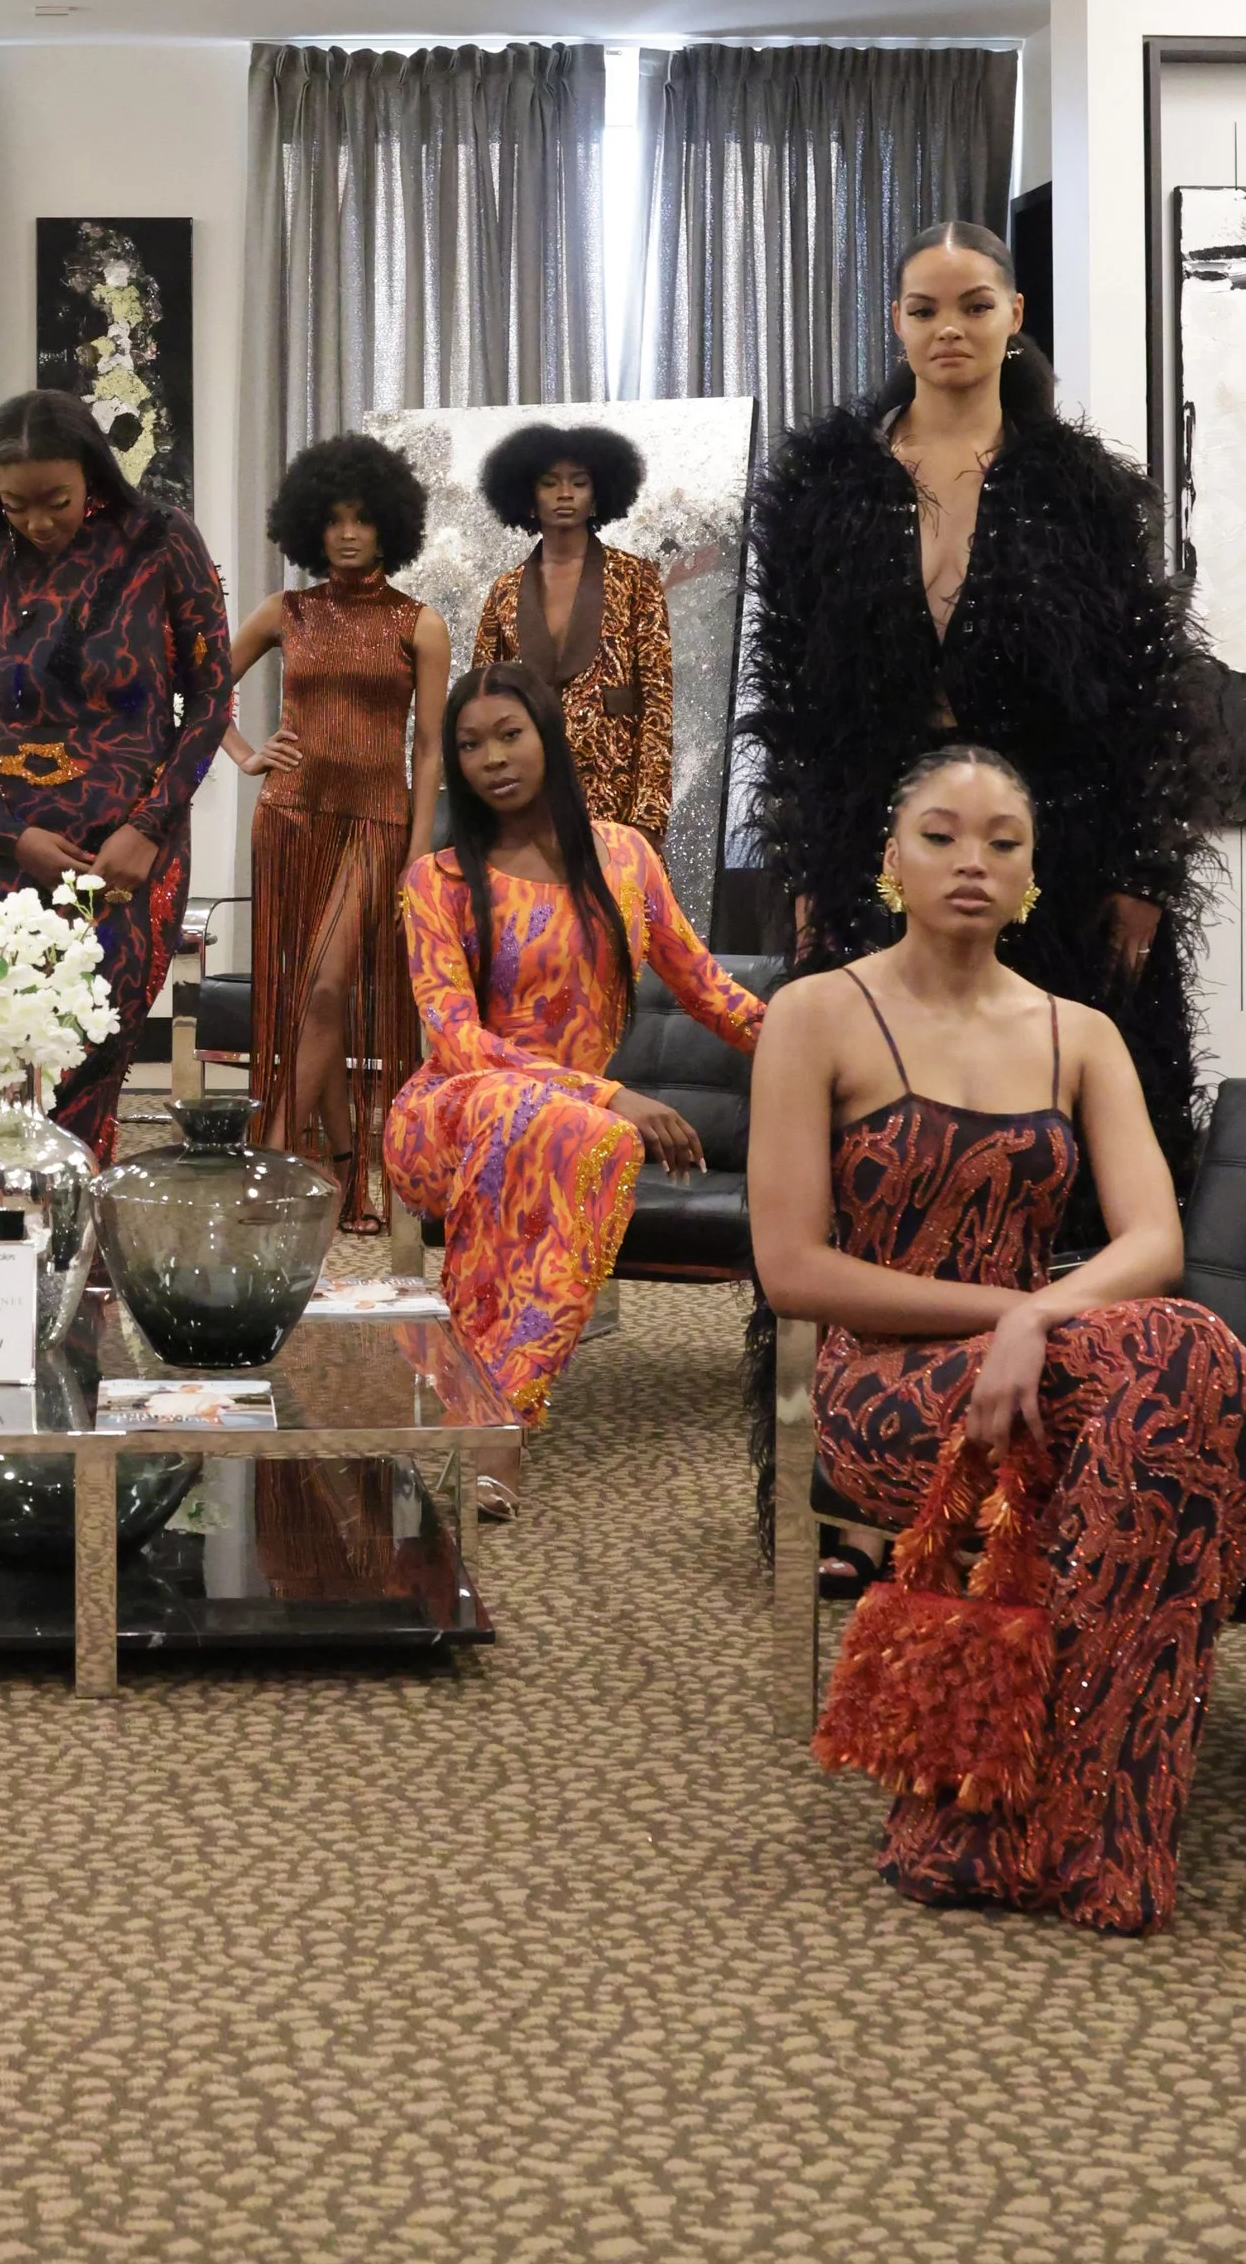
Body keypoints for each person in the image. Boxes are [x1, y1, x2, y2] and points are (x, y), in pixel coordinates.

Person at [749, 741, 1246, 1936]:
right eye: (940, 835)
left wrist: (1036, 1315)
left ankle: (1010, 1821)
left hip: (1043, 1377)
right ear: (890, 858)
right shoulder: (817, 1013)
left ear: (1029, 875)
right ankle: (1095, 1838)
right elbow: (794, 1269)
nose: (970, 860)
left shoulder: (1079, 1032)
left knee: (1172, 1372)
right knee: (1181, 1373)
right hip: (885, 1384)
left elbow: (1152, 1241)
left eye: (1002, 843)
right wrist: (1008, 1315)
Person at [744, 218, 1221, 1183]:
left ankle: (1064, 1325)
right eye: (925, 310)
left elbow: (1152, 696)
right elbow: (790, 702)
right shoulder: (821, 488)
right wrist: (801, 871)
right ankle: (857, 1325)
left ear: (1015, 314)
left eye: (973, 305)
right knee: (869, 1088)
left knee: (1057, 1104)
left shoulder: (1085, 492)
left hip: (1059, 839)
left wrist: (1144, 875)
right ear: (897, 322)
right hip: (867, 834)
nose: (948, 329)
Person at [383, 662, 765, 1447]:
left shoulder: (625, 859)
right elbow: (455, 1043)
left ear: (548, 736)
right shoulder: (438, 881)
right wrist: (605, 1093)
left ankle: (489, 1409)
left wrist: (837, 1042)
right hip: (446, 1117)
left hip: (565, 1127)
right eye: (470, 744)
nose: (492, 758)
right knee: (560, 1119)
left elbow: (707, 990)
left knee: (577, 1132)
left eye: (509, 735)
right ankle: (490, 1411)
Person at [0, 388, 234, 1161]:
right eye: (15, 504)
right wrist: (9, 829)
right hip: (9, 841)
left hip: (126, 845)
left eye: (55, 499)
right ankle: (16, 1224)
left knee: (98, 1036)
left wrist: (150, 826)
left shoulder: (161, 540)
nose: (37, 521)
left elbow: (211, 699)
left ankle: (74, 1229)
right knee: (14, 1039)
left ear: (93, 473)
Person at [225, 433, 448, 1226]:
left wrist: (419, 853)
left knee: (326, 987)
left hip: (378, 823)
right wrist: (250, 755)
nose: (349, 534)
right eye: (335, 520)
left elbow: (428, 748)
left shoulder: (420, 624)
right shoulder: (287, 612)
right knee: (308, 1002)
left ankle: (275, 1159)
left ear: (391, 526)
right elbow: (201, 689)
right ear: (311, 526)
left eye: (364, 520)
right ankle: (349, 1176)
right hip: (288, 817)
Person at [471, 422, 674, 845]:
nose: (565, 494)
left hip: (615, 796)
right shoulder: (504, 591)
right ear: (528, 497)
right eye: (550, 484)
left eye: (578, 483)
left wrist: (648, 814)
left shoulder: (636, 578)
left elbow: (656, 699)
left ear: (597, 495)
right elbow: (482, 704)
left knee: (619, 910)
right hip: (528, 799)